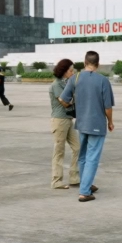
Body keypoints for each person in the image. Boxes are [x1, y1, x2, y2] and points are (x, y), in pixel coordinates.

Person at [60, 50, 115, 202]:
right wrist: (110, 121)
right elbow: (108, 107)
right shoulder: (103, 80)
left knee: (83, 156)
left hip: (82, 123)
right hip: (97, 124)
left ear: (84, 63)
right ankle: (84, 191)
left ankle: (87, 184)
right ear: (98, 64)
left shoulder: (75, 78)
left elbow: (63, 99)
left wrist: (73, 106)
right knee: (92, 157)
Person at [50, 59, 80, 189]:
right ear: (63, 71)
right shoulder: (56, 85)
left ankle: (74, 177)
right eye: (70, 70)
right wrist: (76, 97)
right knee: (59, 150)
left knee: (77, 147)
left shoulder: (67, 83)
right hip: (59, 120)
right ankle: (56, 180)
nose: (72, 72)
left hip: (68, 119)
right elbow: (65, 102)